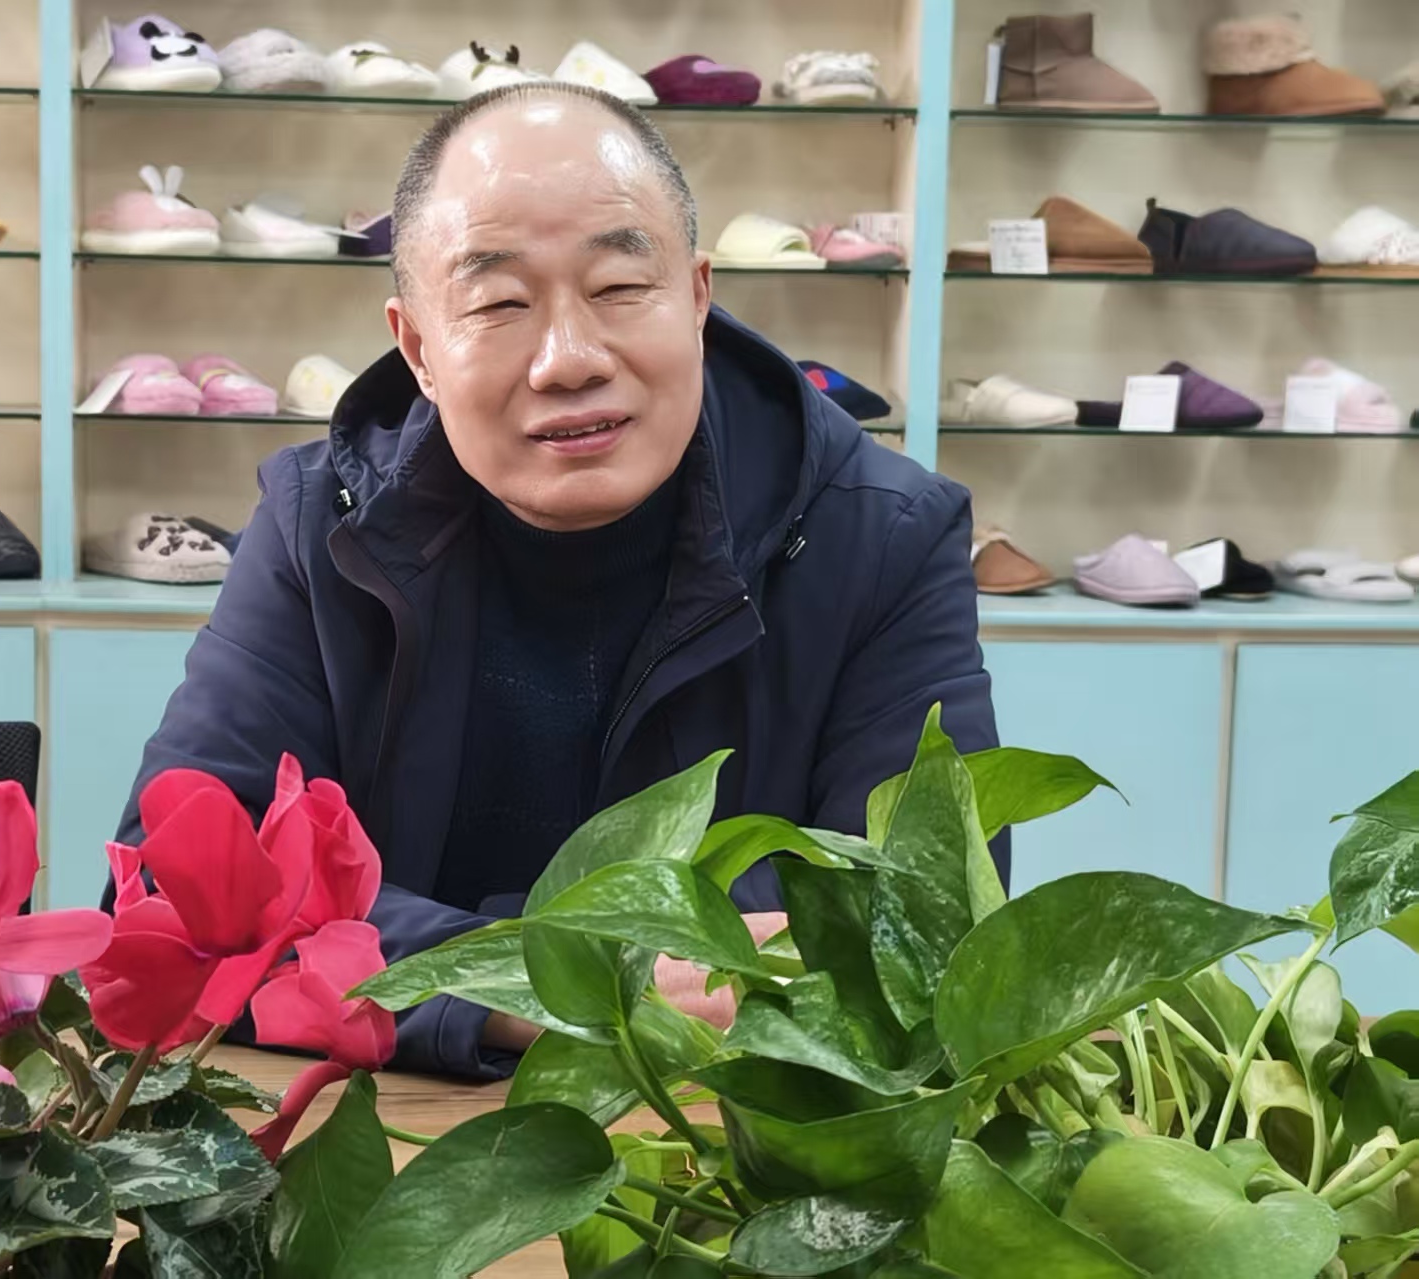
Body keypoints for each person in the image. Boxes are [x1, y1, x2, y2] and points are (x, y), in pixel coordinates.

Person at [113, 82, 1000, 1079]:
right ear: (418, 350)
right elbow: (172, 899)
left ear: (697, 299)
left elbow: (922, 930)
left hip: (733, 1143)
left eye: (619, 287)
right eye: (498, 303)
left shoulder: (882, 536)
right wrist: (574, 977)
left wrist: (398, 946)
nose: (568, 360)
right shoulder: (320, 524)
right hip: (388, 1122)